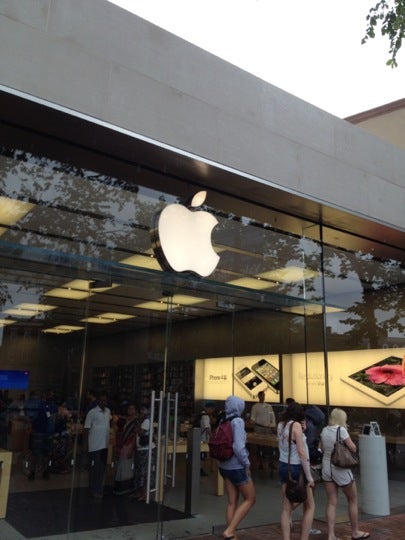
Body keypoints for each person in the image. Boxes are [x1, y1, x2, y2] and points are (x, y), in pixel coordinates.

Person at [320, 408, 370, 540]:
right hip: (340, 468)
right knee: (352, 499)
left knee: (331, 502)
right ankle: (355, 532)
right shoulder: (341, 430)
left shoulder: (324, 430)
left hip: (326, 468)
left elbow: (322, 449)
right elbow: (353, 447)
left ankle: (331, 535)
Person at [218, 395, 256, 540]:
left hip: (224, 465)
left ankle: (232, 536)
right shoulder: (238, 421)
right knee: (251, 498)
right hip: (237, 466)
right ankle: (230, 531)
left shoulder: (223, 419)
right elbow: (239, 447)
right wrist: (247, 463)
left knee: (232, 501)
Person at [277, 402, 315, 540]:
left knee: (286, 507)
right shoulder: (296, 425)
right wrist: (309, 477)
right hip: (296, 467)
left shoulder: (280, 425)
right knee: (310, 505)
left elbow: (286, 442)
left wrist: (302, 432)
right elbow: (301, 452)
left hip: (283, 465)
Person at [84, 392, 112, 499]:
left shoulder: (108, 411)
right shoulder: (92, 412)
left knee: (102, 469)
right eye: (102, 400)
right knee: (94, 469)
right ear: (98, 401)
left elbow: (111, 420)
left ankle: (99, 488)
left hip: (104, 445)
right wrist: (85, 445)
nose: (104, 402)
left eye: (105, 400)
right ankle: (93, 489)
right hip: (95, 446)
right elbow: (86, 428)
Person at [27, 390, 58, 480]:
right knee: (41, 454)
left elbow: (33, 418)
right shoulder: (45, 405)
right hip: (42, 433)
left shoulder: (46, 405)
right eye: (50, 395)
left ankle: (38, 472)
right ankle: (39, 472)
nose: (51, 397)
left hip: (42, 433)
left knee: (41, 454)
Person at [113, 403, 139, 495]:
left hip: (130, 445)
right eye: (129, 408)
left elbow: (135, 435)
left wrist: (132, 448)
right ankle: (122, 488)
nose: (130, 410)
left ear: (136, 410)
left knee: (127, 466)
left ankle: (127, 487)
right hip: (125, 445)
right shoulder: (128, 419)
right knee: (123, 466)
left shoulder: (136, 421)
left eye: (132, 409)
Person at [131, 405, 156, 501]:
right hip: (140, 448)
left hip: (146, 449)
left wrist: (136, 427)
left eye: (141, 413)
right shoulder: (141, 421)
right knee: (139, 471)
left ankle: (144, 493)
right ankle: (138, 492)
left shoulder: (146, 421)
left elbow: (140, 432)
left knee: (145, 472)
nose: (139, 415)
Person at [250, 390, 276, 469]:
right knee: (258, 446)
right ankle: (260, 463)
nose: (263, 397)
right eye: (261, 396)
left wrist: (273, 425)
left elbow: (272, 416)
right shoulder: (255, 406)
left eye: (264, 395)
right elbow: (252, 419)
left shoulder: (269, 406)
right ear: (259, 396)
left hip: (268, 428)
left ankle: (270, 462)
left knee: (269, 446)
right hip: (259, 428)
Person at [199, 407, 212, 476]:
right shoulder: (206, 417)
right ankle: (200, 470)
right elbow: (207, 428)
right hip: (203, 439)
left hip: (199, 438)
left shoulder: (200, 416)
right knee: (202, 456)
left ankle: (199, 469)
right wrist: (212, 436)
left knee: (201, 455)